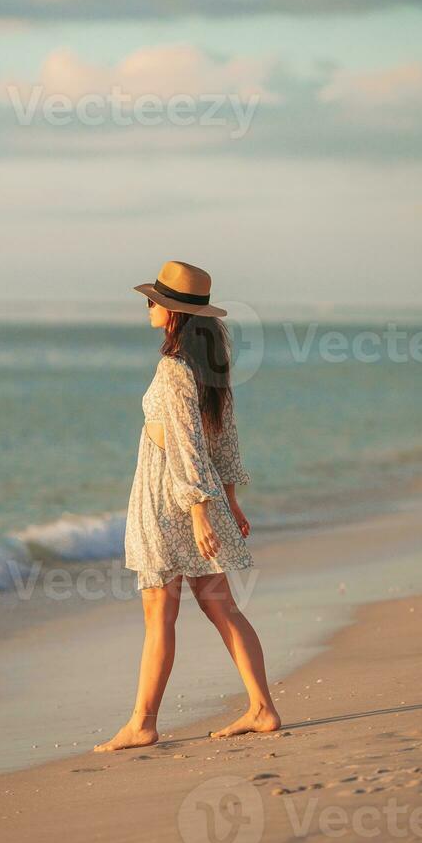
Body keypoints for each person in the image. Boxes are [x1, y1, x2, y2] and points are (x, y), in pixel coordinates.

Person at [94, 260, 280, 753]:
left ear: (173, 313)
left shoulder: (173, 369)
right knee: (220, 606)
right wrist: (229, 501)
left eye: (154, 300)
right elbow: (223, 441)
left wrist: (202, 509)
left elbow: (188, 443)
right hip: (195, 495)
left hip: (168, 500)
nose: (149, 306)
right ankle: (261, 707)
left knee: (160, 611)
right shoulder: (208, 369)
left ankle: (143, 723)